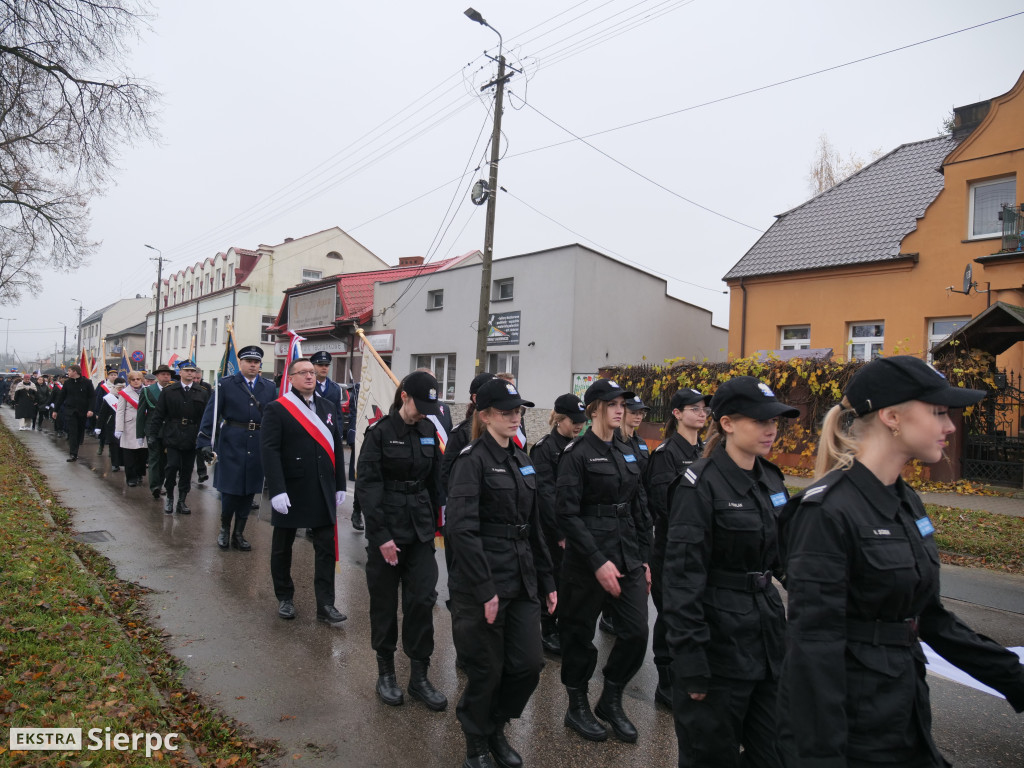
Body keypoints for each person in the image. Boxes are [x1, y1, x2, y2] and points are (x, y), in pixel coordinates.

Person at [777, 356, 1024, 768]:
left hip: (903, 713)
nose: (949, 426)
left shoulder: (906, 501)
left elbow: (930, 617)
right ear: (892, 416)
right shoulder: (826, 512)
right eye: (939, 412)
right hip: (851, 732)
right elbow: (812, 651)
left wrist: (1015, 679)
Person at [663, 376, 796, 768]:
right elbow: (682, 580)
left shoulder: (771, 479)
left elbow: (784, 558)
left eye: (776, 421)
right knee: (711, 755)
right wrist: (691, 663)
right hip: (718, 647)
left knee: (776, 754)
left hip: (768, 639)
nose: (771, 429)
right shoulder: (698, 485)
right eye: (760, 420)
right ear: (727, 423)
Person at [446, 377, 556, 768]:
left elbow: (535, 525)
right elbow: (461, 529)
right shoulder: (471, 460)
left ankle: (495, 723)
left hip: (522, 575)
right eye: (507, 412)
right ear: (486, 415)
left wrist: (547, 580)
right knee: (486, 669)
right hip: (483, 581)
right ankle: (476, 739)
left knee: (529, 664)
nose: (515, 417)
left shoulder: (522, 459)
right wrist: (484, 588)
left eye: (518, 411)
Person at [556, 378, 651, 744]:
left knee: (637, 631)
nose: (619, 409)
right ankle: (576, 704)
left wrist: (645, 559)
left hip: (626, 553)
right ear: (594, 408)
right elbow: (566, 514)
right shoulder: (576, 454)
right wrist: (596, 560)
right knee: (579, 634)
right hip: (586, 560)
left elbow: (639, 506)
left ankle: (611, 698)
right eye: (612, 403)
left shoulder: (627, 451)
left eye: (622, 404)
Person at [357, 370, 447, 712]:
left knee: (422, 600)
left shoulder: (427, 431)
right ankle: (386, 672)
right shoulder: (380, 433)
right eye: (419, 404)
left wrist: (441, 523)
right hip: (388, 530)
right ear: (404, 396)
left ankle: (419, 676)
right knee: (383, 602)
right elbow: (367, 485)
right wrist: (380, 536)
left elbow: (436, 482)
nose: (423, 412)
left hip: (421, 528)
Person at [261, 357, 347, 624]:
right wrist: (276, 490)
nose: (310, 376)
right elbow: (270, 451)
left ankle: (326, 604)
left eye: (312, 372)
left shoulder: (328, 406)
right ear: (292, 378)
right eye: (304, 372)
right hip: (291, 488)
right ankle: (285, 597)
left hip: (322, 487)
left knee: (325, 549)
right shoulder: (278, 409)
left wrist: (340, 484)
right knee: (282, 548)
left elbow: (336, 447)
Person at [645, 388, 710, 707]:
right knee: (670, 615)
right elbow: (662, 505)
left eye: (704, 409)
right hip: (671, 548)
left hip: (698, 548)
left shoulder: (703, 451)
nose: (702, 414)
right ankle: (665, 683)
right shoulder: (666, 454)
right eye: (694, 409)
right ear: (677, 414)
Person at [197, 345, 276, 551]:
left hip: (257, 442)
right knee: (230, 491)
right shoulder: (225, 384)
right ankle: (224, 529)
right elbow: (211, 415)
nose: (253, 365)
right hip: (231, 441)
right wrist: (205, 441)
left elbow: (275, 418)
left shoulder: (268, 387)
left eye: (256, 362)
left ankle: (239, 533)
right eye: (249, 361)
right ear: (240, 363)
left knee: (249, 491)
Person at [528, 392, 587, 655]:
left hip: (575, 528)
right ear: (559, 419)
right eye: (573, 420)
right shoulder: (544, 449)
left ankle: (565, 625)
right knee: (551, 577)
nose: (578, 425)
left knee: (571, 580)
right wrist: (562, 531)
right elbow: (546, 495)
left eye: (581, 420)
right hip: (552, 530)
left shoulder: (580, 447)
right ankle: (548, 628)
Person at [147, 361, 210, 514]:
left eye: (192, 371)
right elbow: (158, 414)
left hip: (191, 435)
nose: (190, 373)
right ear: (180, 373)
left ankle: (182, 500)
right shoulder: (169, 391)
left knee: (187, 470)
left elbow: (205, 418)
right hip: (173, 434)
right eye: (186, 370)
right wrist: (152, 435)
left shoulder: (201, 392)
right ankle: (169, 497)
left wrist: (206, 439)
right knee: (171, 466)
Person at [139, 366, 172, 500]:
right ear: (157, 376)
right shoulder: (148, 390)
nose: (166, 377)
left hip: (169, 430)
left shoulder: (173, 390)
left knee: (165, 460)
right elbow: (141, 413)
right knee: (154, 458)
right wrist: (139, 434)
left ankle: (160, 483)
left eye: (168, 375)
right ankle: (155, 487)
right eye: (163, 374)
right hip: (153, 429)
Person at [51, 364, 94, 461]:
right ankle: (73, 454)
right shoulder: (67, 383)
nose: (68, 373)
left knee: (79, 432)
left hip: (83, 411)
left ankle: (76, 450)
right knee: (73, 432)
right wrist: (55, 410)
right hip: (70, 411)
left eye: (69, 371)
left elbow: (92, 397)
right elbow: (61, 397)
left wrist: (91, 409)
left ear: (75, 372)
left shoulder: (87, 382)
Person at [115, 370, 149, 487]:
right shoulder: (124, 393)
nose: (136, 381)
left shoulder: (147, 391)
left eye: (138, 379)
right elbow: (120, 411)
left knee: (142, 453)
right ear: (129, 381)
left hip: (144, 426)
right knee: (129, 454)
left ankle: (139, 473)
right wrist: (119, 428)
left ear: (142, 380)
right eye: (133, 379)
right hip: (129, 426)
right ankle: (131, 477)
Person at [95, 377, 125, 472]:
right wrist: (98, 426)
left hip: (125, 424)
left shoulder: (127, 396)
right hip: (111, 424)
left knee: (123, 445)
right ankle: (115, 464)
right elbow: (103, 413)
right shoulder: (109, 398)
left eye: (123, 387)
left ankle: (123, 462)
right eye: (119, 387)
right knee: (114, 445)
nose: (121, 389)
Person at [93, 365, 119, 455]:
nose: (113, 376)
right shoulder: (103, 386)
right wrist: (97, 412)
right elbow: (99, 399)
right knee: (103, 431)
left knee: (113, 432)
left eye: (115, 375)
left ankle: (111, 450)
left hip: (115, 412)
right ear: (108, 376)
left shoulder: (120, 386)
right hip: (105, 411)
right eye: (111, 375)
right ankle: (101, 446)